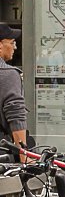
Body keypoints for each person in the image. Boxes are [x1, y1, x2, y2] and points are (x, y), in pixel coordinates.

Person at [0, 23, 27, 151]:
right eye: (11, 43)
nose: (14, 48)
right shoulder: (8, 74)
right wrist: (25, 158)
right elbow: (16, 116)